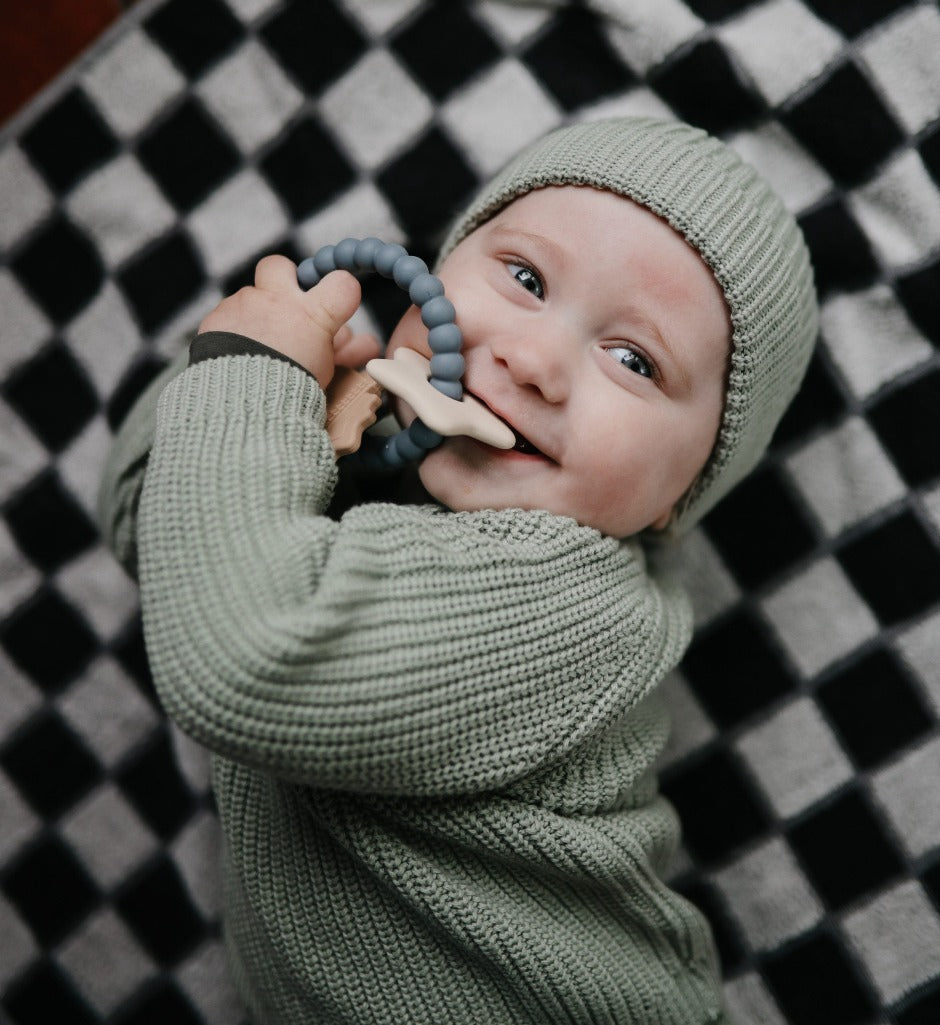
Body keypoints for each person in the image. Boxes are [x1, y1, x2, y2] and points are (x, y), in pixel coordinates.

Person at [99, 116, 817, 1025]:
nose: (535, 361)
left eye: (633, 360)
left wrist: (248, 374)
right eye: (524, 278)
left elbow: (246, 657)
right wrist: (290, 405)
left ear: (677, 496)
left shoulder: (571, 599)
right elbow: (144, 518)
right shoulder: (350, 476)